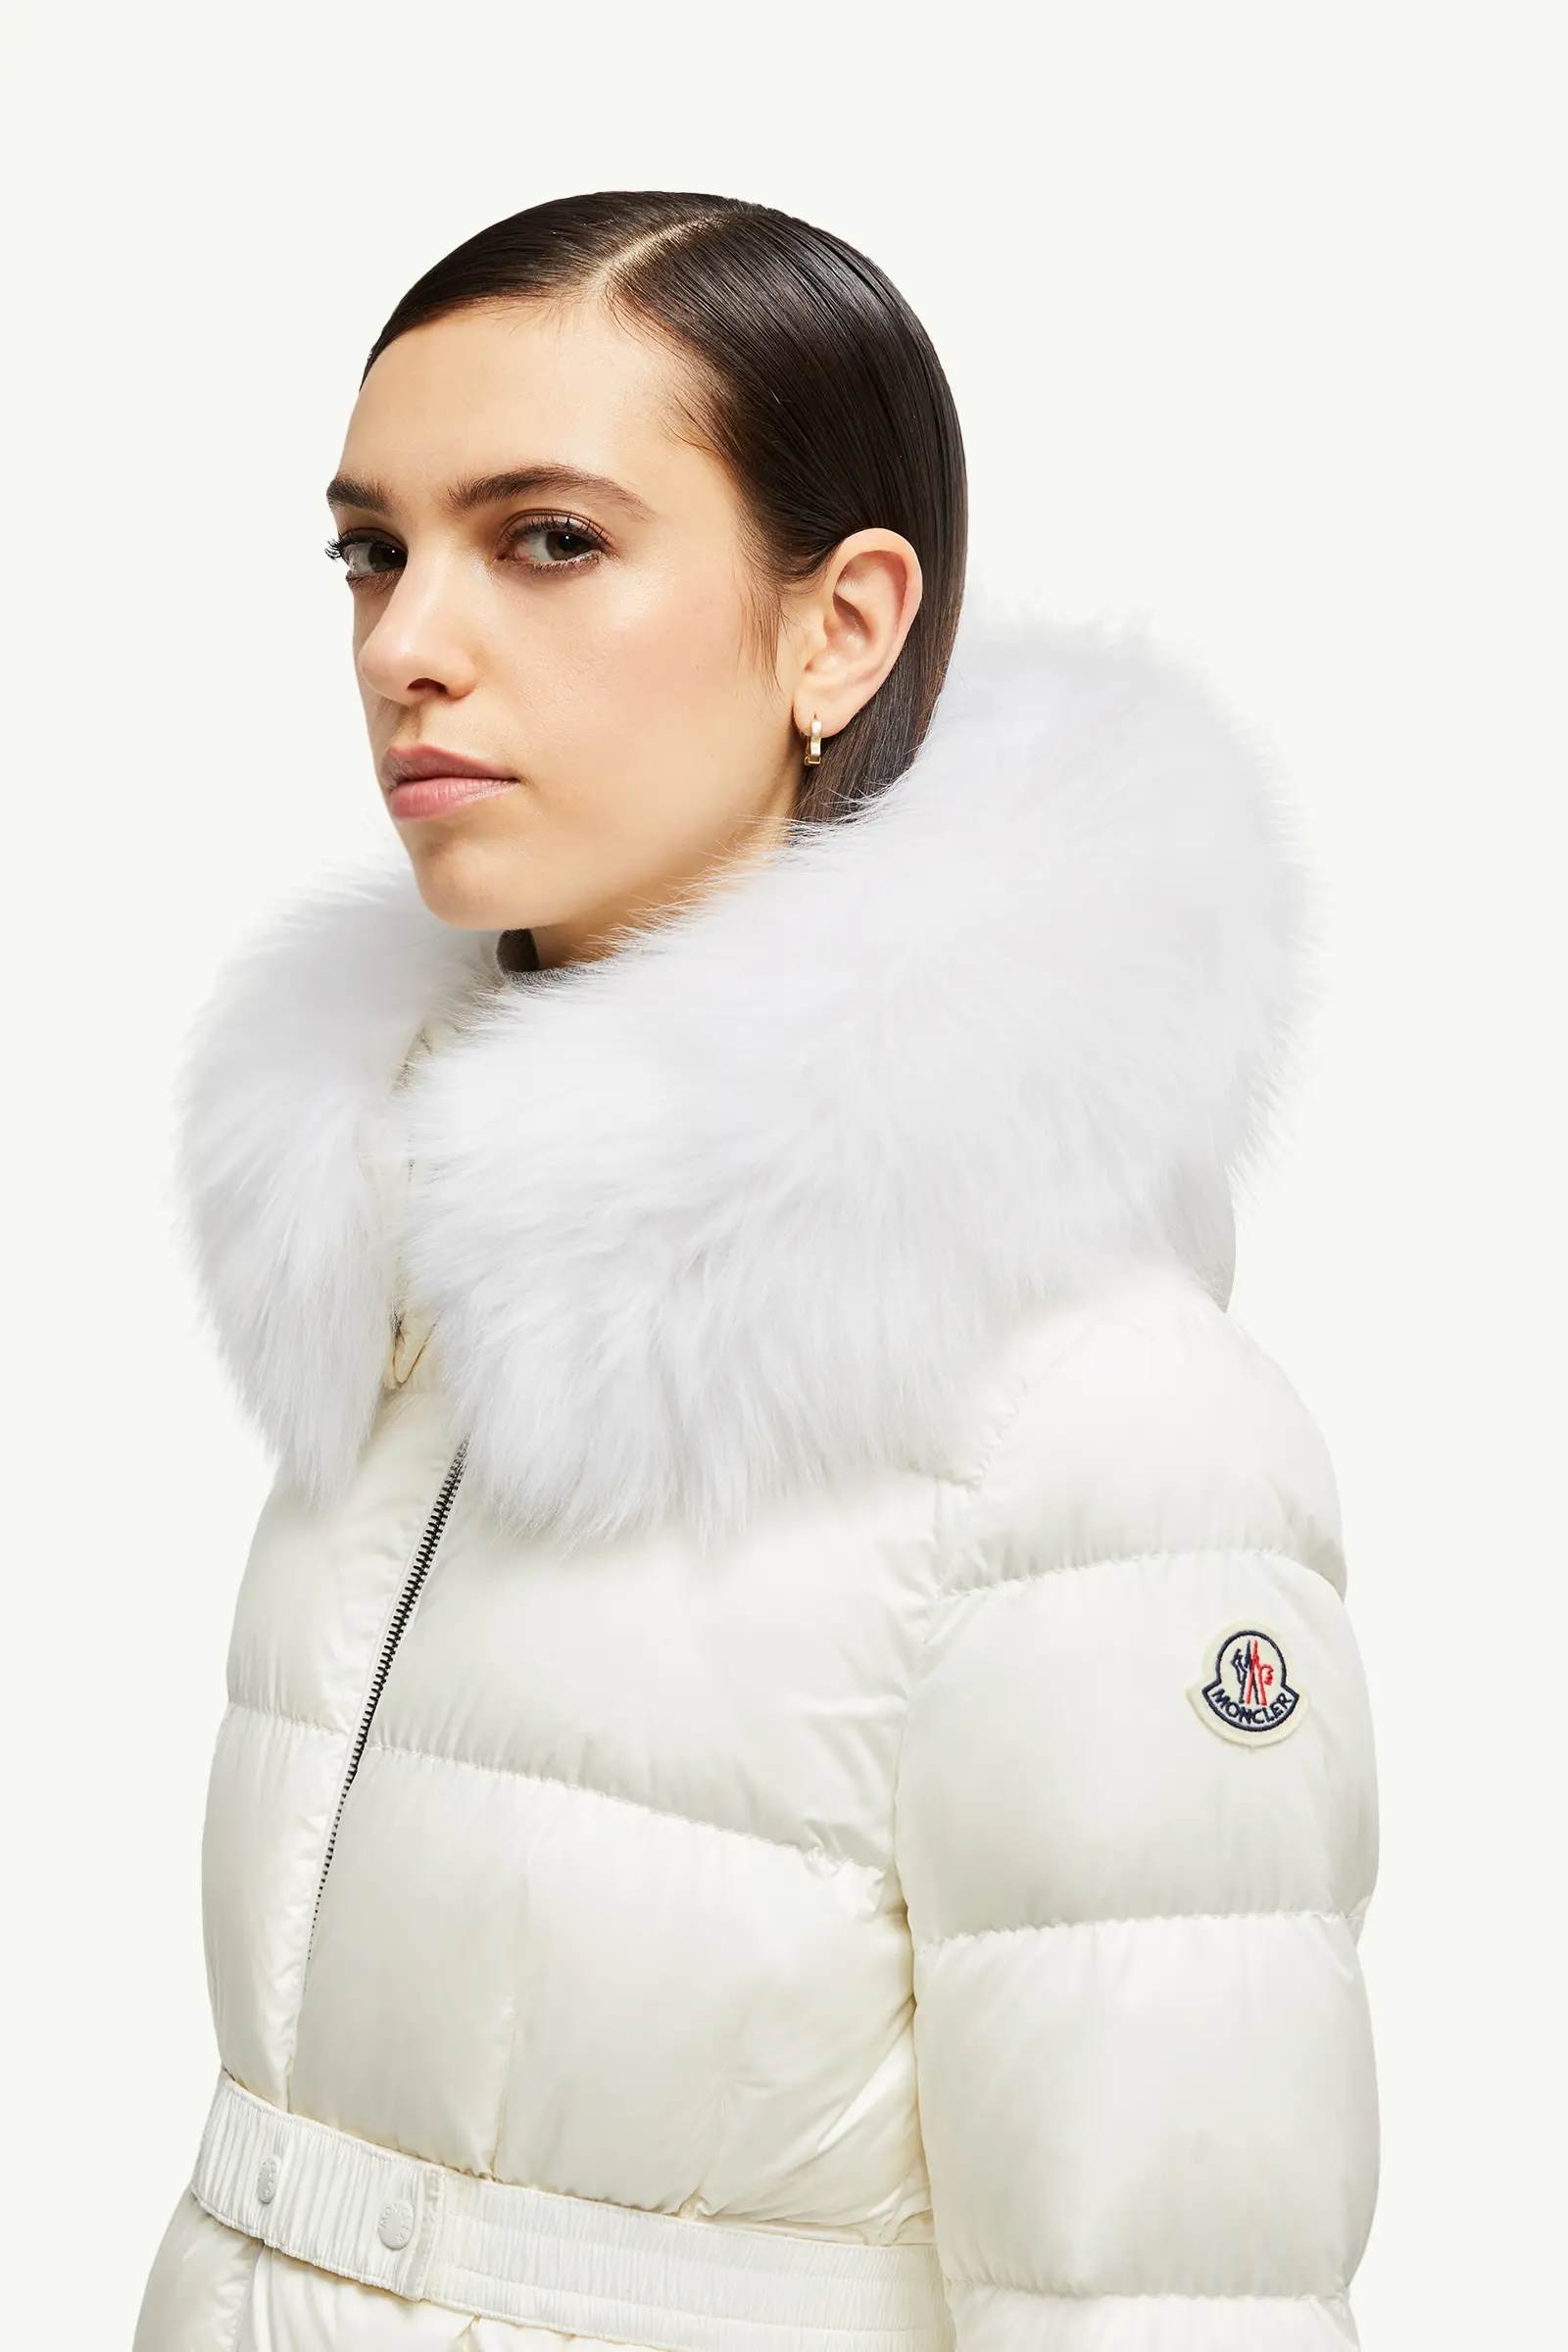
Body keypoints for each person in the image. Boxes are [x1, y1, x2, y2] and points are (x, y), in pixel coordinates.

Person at [135, 191, 1379, 2352]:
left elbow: (1171, 2295)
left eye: (546, 540)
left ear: (842, 630)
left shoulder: (1097, 1428)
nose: (407, 641)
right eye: (371, 551)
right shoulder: (412, 1282)